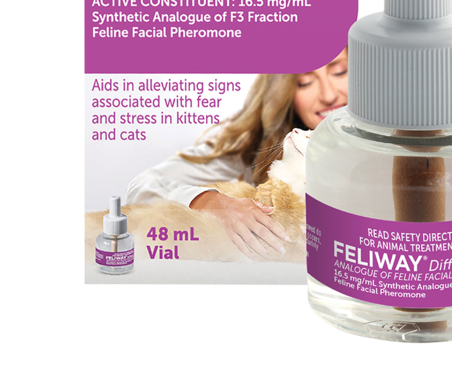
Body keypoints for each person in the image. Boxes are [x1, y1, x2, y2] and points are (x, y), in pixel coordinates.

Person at [125, 49, 348, 260]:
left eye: (340, 72)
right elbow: (142, 186)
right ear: (285, 95)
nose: (328, 95)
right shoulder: (252, 152)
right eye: (305, 82)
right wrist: (214, 203)